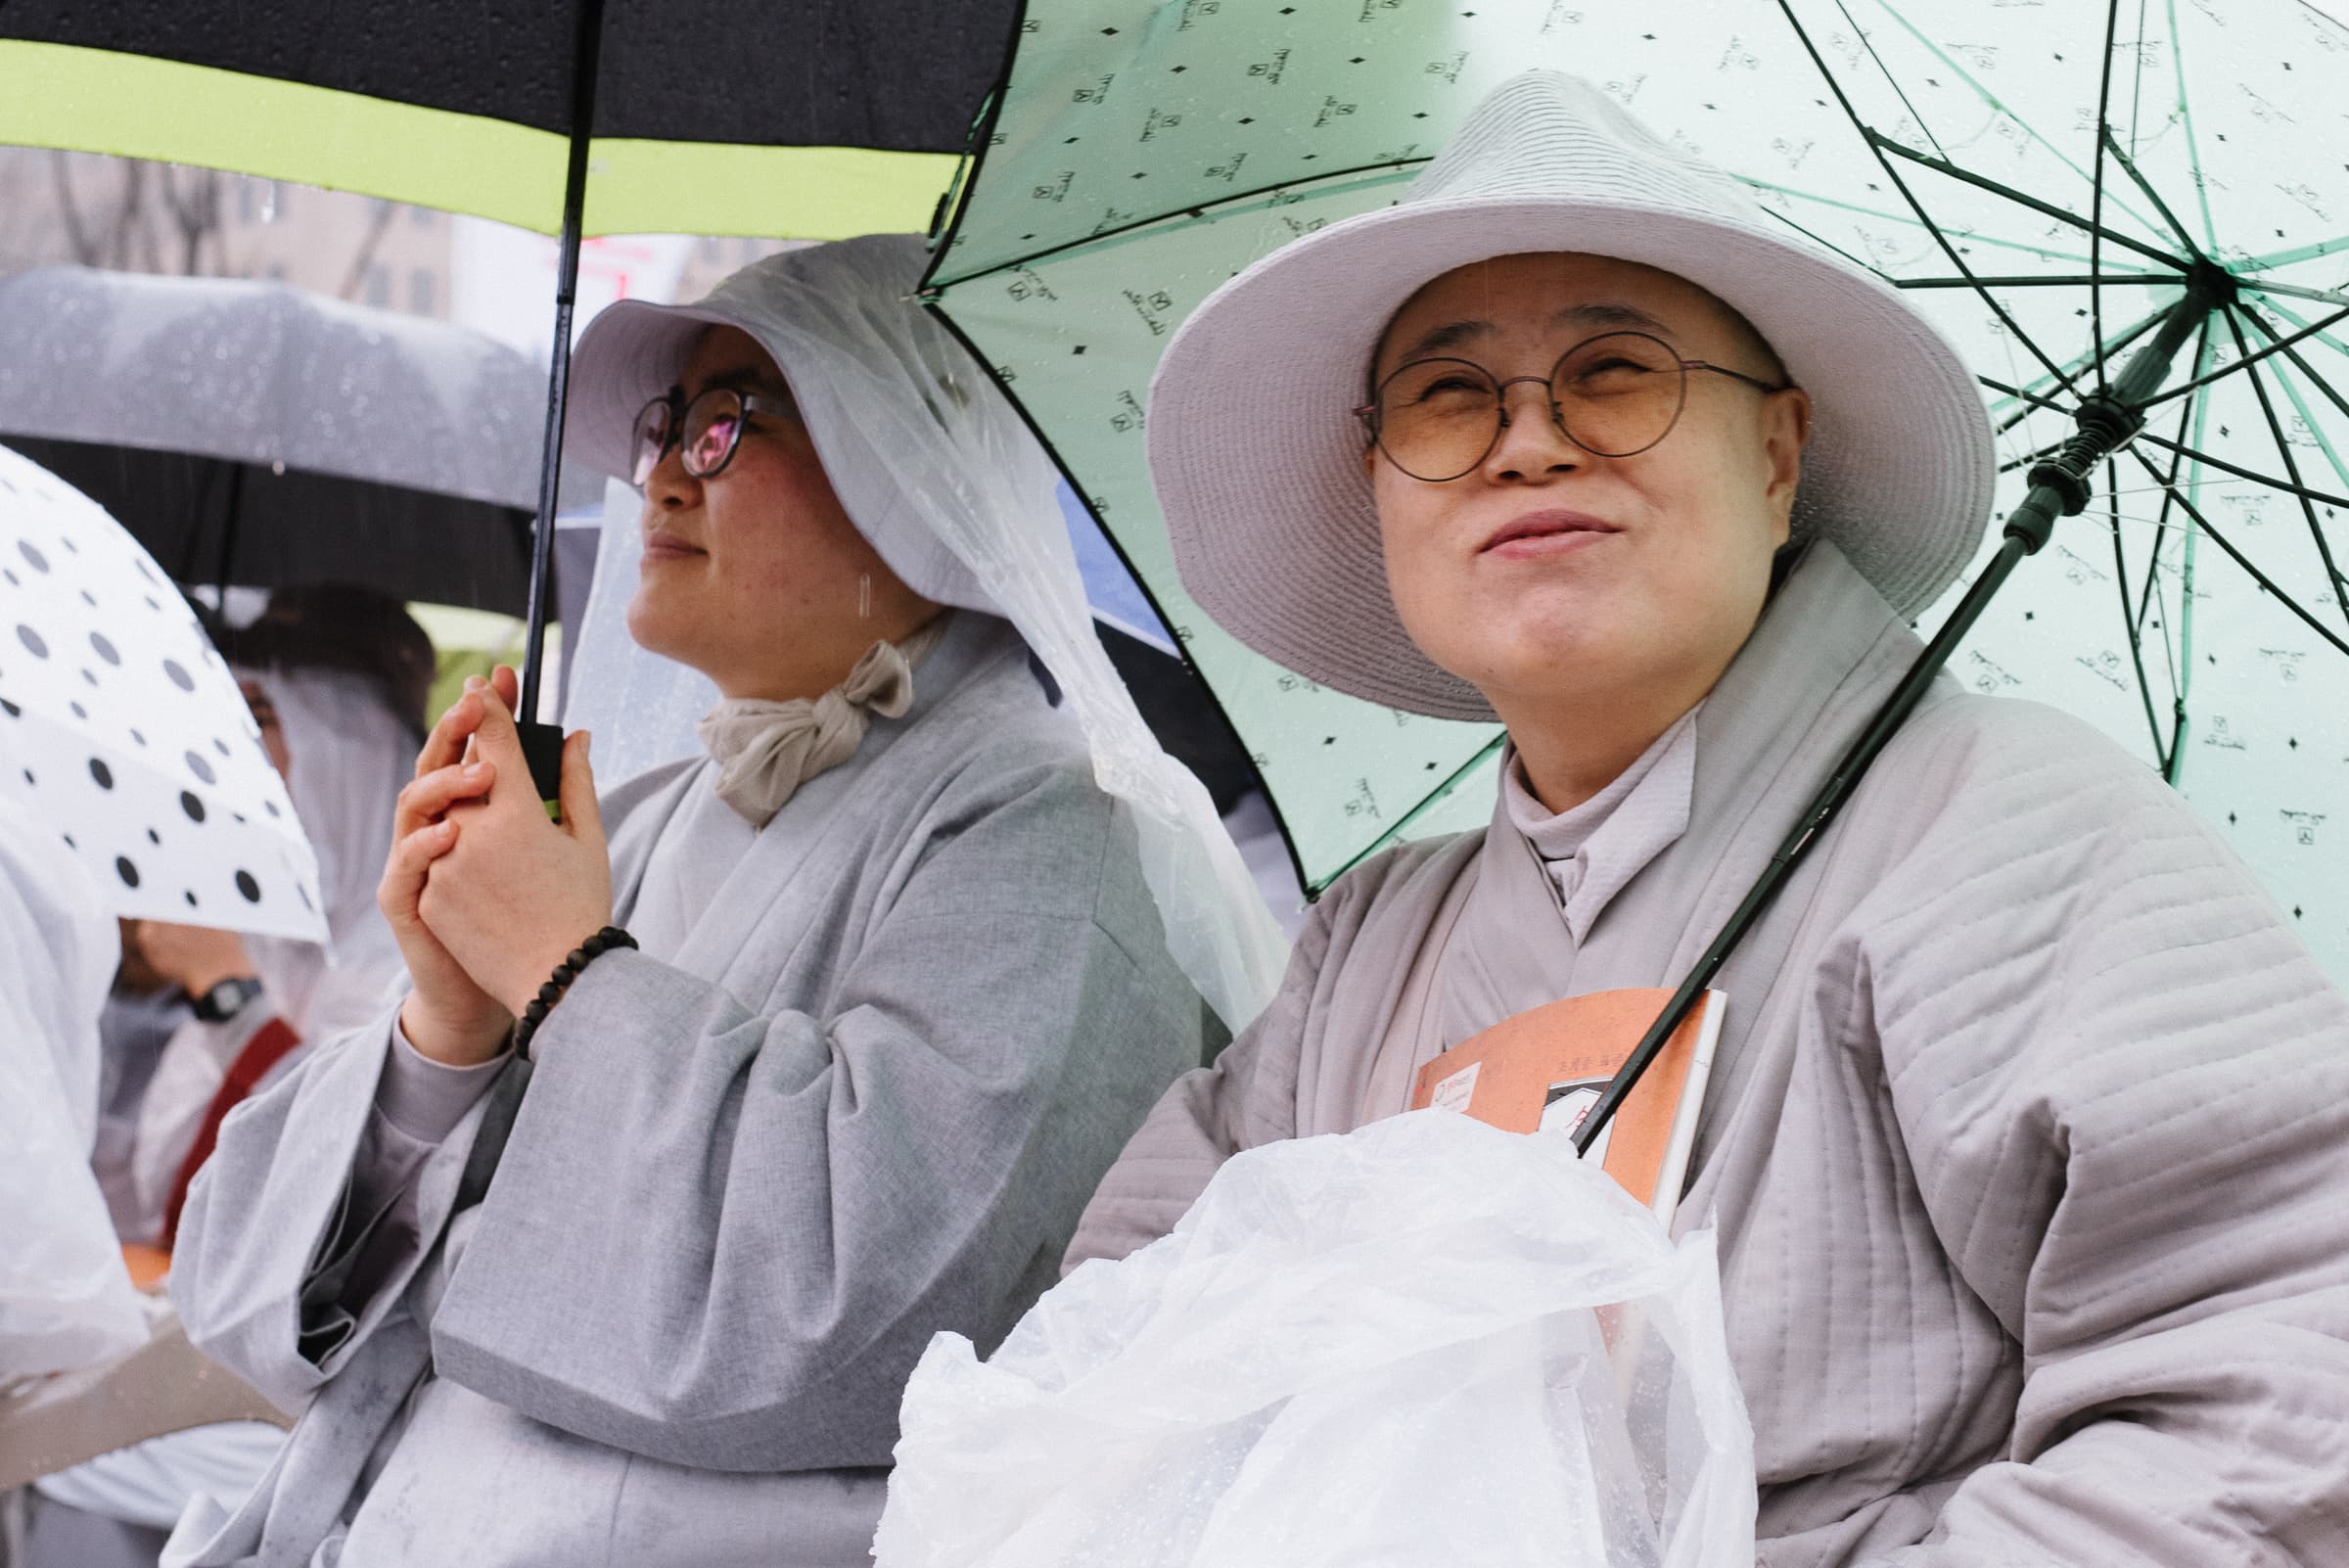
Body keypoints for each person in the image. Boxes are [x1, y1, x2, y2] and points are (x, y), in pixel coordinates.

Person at [1069, 71, 2349, 1565]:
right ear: (1377, 486)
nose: (1527, 443)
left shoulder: (2005, 825)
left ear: (1778, 453)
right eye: (1448, 393)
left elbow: (2279, 1366)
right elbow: (1112, 1363)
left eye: (1617, 371)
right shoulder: (1366, 941)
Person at [162, 234, 1277, 1568]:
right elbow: (268, 1294)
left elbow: (868, 1310)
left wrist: (570, 971)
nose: (663, 476)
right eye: (664, 425)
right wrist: (444, 1030)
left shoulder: (1057, 835)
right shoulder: (630, 817)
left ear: (901, 459)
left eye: (728, 419)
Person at [26, 585, 426, 1568]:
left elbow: (343, 1213)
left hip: (287, 1441)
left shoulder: (420, 981)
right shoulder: (256, 947)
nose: (235, 774)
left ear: (352, 752)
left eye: (263, 728)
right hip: (141, 1397)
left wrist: (226, 993)